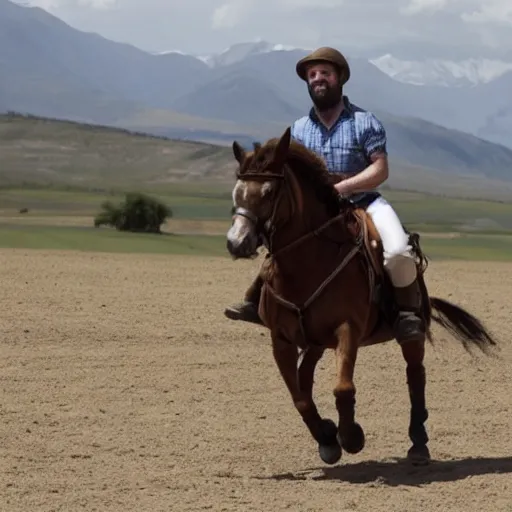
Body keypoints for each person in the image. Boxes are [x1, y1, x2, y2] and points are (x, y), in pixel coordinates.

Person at [224, 46, 425, 345]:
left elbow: (380, 170)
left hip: (365, 203)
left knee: (397, 251)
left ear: (340, 78)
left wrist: (343, 187)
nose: (318, 79)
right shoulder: (299, 130)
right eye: (312, 74)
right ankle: (257, 301)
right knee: (277, 243)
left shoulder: (365, 122)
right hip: (319, 212)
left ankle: (407, 313)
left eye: (325, 73)